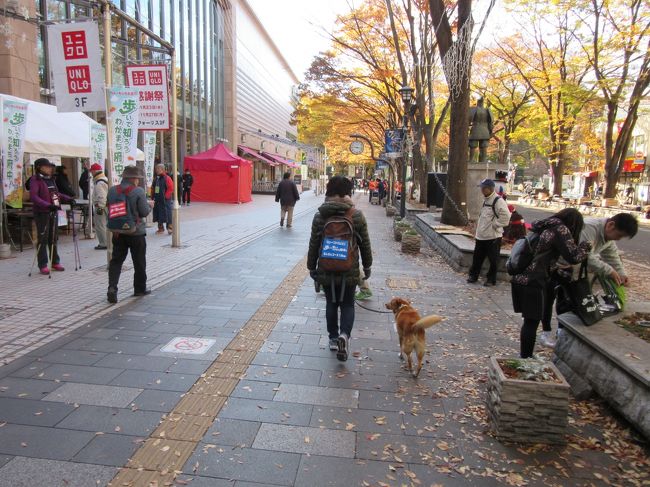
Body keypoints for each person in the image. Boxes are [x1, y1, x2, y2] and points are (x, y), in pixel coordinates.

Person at [307, 176, 372, 361]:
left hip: (326, 267)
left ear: (328, 190)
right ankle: (345, 335)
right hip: (349, 268)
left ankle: (334, 339)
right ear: (348, 192)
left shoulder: (320, 215)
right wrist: (367, 266)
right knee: (347, 303)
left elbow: (314, 243)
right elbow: (365, 244)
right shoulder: (356, 215)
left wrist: (311, 267)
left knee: (331, 303)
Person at [511, 208, 591, 358]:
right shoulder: (560, 229)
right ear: (574, 223)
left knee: (529, 320)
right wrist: (585, 246)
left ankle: (526, 355)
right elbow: (573, 257)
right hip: (533, 280)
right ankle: (526, 358)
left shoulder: (542, 226)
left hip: (519, 276)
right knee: (532, 321)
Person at [106, 166, 152, 304]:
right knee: (139, 261)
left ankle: (112, 288)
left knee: (116, 261)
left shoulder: (113, 190)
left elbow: (108, 207)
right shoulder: (138, 191)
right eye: (138, 178)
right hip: (135, 232)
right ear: (133, 179)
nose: (138, 181)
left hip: (117, 232)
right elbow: (144, 212)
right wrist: (150, 206)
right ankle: (139, 289)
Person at [30, 158, 74, 274]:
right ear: (40, 167)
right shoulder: (35, 179)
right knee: (43, 238)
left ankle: (55, 262)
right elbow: (34, 197)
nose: (50, 168)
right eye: (47, 166)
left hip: (53, 211)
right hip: (42, 213)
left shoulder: (51, 179)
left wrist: (68, 199)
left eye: (50, 167)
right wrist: (47, 205)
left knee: (53, 238)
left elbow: (56, 194)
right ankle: (43, 264)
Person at [467, 179, 511, 286]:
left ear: (490, 189)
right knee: (477, 257)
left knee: (493, 260)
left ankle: (491, 279)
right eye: (481, 188)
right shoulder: (485, 200)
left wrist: (495, 225)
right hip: (481, 235)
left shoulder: (498, 201)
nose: (482, 190)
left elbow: (506, 216)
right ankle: (473, 275)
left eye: (484, 188)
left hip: (493, 236)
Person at [580, 213, 638, 286]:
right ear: (611, 225)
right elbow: (585, 256)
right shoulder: (589, 227)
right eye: (619, 235)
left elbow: (611, 256)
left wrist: (621, 273)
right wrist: (610, 271)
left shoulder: (607, 234)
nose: (618, 239)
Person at [151, 164, 174, 234]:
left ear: (163, 169)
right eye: (156, 169)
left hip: (165, 200)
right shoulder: (156, 178)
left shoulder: (167, 178)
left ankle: (170, 228)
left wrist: (166, 197)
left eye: (158, 169)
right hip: (157, 200)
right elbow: (153, 188)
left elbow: (171, 188)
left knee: (168, 214)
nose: (156, 170)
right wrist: (153, 196)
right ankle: (160, 228)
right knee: (158, 214)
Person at [91, 163, 109, 250]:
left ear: (94, 171)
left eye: (91, 171)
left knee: (100, 225)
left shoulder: (99, 182)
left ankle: (103, 243)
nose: (91, 173)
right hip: (106, 205)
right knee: (105, 224)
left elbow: (101, 196)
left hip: (101, 206)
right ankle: (107, 242)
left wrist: (100, 208)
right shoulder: (105, 179)